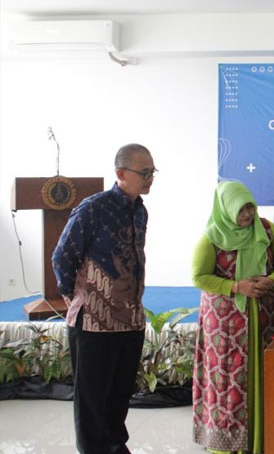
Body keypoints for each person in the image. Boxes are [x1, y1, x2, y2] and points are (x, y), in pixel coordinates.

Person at [51, 143, 156, 454]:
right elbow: (62, 258)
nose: (151, 178)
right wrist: (80, 298)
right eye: (145, 172)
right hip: (94, 323)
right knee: (92, 400)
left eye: (153, 172)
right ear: (121, 173)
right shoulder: (92, 209)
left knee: (119, 395)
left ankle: (115, 447)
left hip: (130, 320)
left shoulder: (140, 210)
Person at [191, 180, 274, 454]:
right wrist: (236, 287)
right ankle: (226, 442)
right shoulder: (211, 237)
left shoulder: (267, 230)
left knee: (264, 372)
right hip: (225, 325)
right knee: (227, 379)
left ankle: (264, 437)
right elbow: (199, 277)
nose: (247, 215)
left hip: (263, 316)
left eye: (250, 207)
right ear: (225, 209)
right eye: (240, 209)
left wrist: (271, 280)